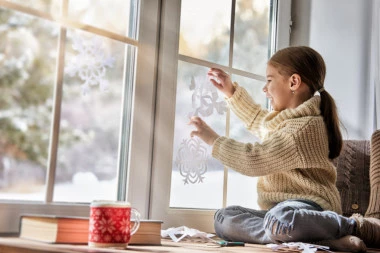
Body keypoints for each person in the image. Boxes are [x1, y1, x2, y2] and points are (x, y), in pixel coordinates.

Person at [189, 46, 380, 253]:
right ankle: (319, 240)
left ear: (293, 82)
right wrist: (231, 92)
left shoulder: (305, 128)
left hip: (310, 208)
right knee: (223, 218)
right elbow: (258, 120)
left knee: (281, 220)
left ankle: (351, 226)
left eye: (269, 80)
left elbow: (255, 159)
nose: (265, 88)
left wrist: (213, 140)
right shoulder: (283, 122)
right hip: (277, 213)